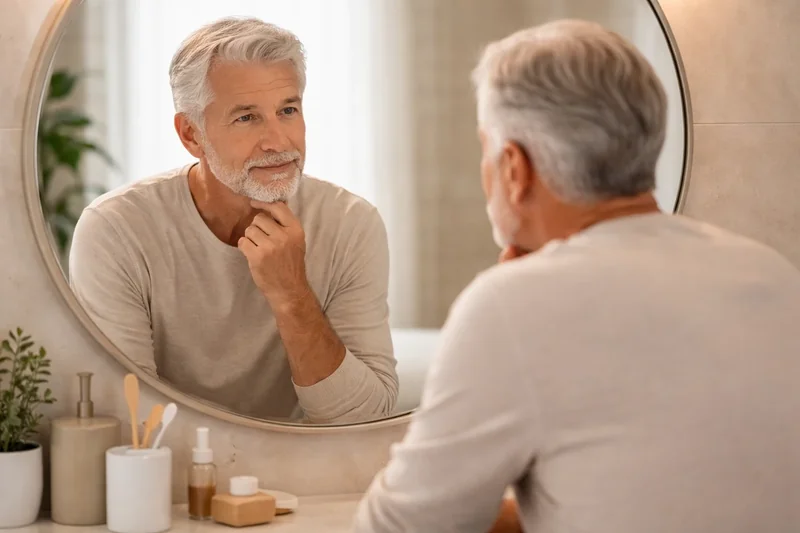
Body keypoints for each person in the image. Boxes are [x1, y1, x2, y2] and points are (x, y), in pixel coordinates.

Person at [354, 19, 800, 533]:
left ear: (514, 168)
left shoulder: (513, 306)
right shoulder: (770, 272)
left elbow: (395, 528)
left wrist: (516, 300)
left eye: (486, 150)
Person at [68, 17, 398, 424]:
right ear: (191, 134)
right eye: (247, 117)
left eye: (287, 110)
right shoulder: (116, 231)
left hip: (304, 478)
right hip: (168, 480)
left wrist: (292, 293)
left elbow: (365, 420)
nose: (279, 141)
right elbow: (126, 418)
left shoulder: (352, 224)